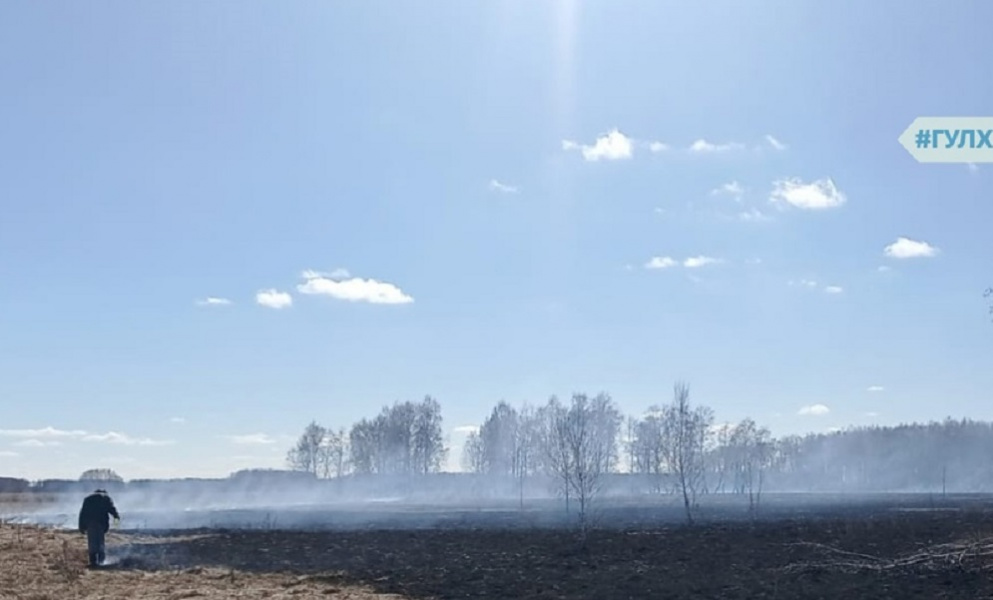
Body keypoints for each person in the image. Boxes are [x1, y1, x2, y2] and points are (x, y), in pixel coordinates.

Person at [77, 489, 120, 567]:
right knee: (100, 542)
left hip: (90, 523)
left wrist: (81, 527)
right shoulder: (106, 498)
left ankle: (93, 561)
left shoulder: (87, 499)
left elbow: (82, 513)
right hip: (101, 523)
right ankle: (101, 561)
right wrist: (116, 523)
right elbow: (113, 511)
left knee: (92, 542)